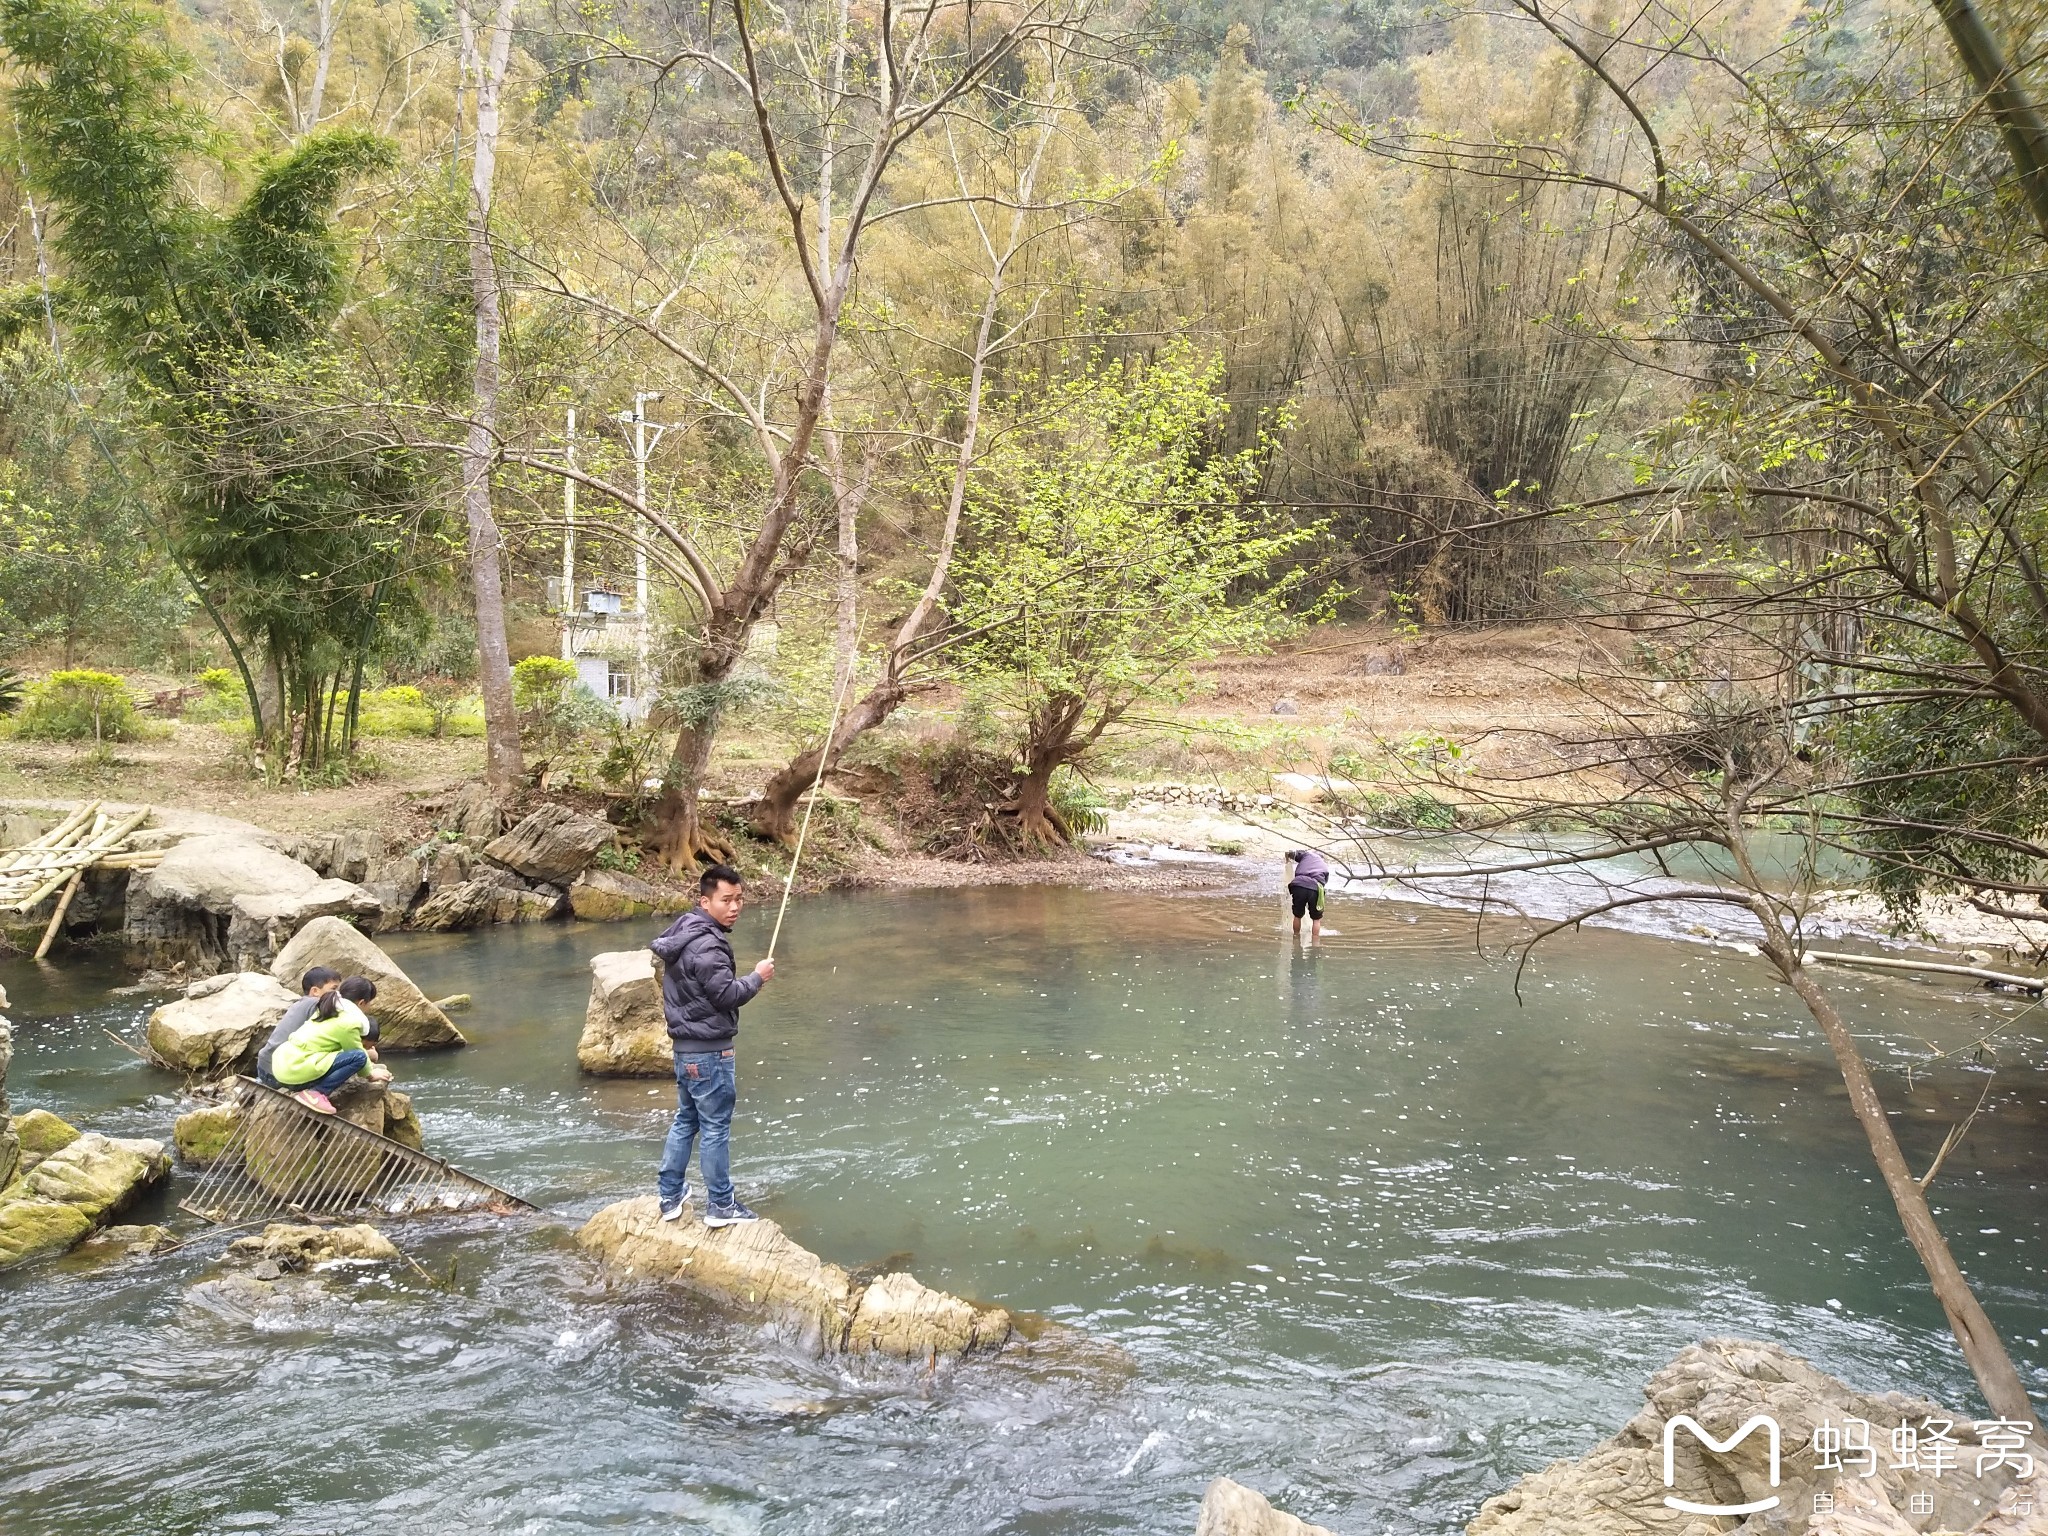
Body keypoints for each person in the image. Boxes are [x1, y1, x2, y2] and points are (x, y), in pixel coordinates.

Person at [650, 863, 774, 1227]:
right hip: (709, 1052)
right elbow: (726, 995)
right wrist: (757, 978)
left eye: (739, 899)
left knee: (686, 1119)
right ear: (705, 902)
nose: (734, 907)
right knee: (715, 1127)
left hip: (685, 1050)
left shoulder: (685, 932)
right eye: (726, 900)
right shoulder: (708, 944)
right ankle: (721, 1205)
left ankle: (670, 1197)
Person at [270, 976, 391, 1114]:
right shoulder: (349, 1022)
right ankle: (316, 1093)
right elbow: (356, 1051)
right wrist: (370, 1074)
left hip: (282, 1067)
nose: (369, 1008)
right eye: (369, 1003)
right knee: (359, 1057)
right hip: (297, 1069)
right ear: (362, 1002)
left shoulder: (328, 1009)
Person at [255, 966, 342, 1087]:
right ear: (315, 991)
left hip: (263, 1066)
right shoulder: (316, 1005)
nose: (338, 994)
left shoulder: (300, 1003)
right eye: (334, 989)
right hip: (278, 1072)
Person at [1285, 847, 1332, 945]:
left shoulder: (1306, 855)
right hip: (1315, 888)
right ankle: (1315, 943)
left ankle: (1296, 938)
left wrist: (1287, 858)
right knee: (1316, 918)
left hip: (1298, 885)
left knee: (1297, 916)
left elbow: (1292, 853)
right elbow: (1324, 882)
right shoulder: (1324, 865)